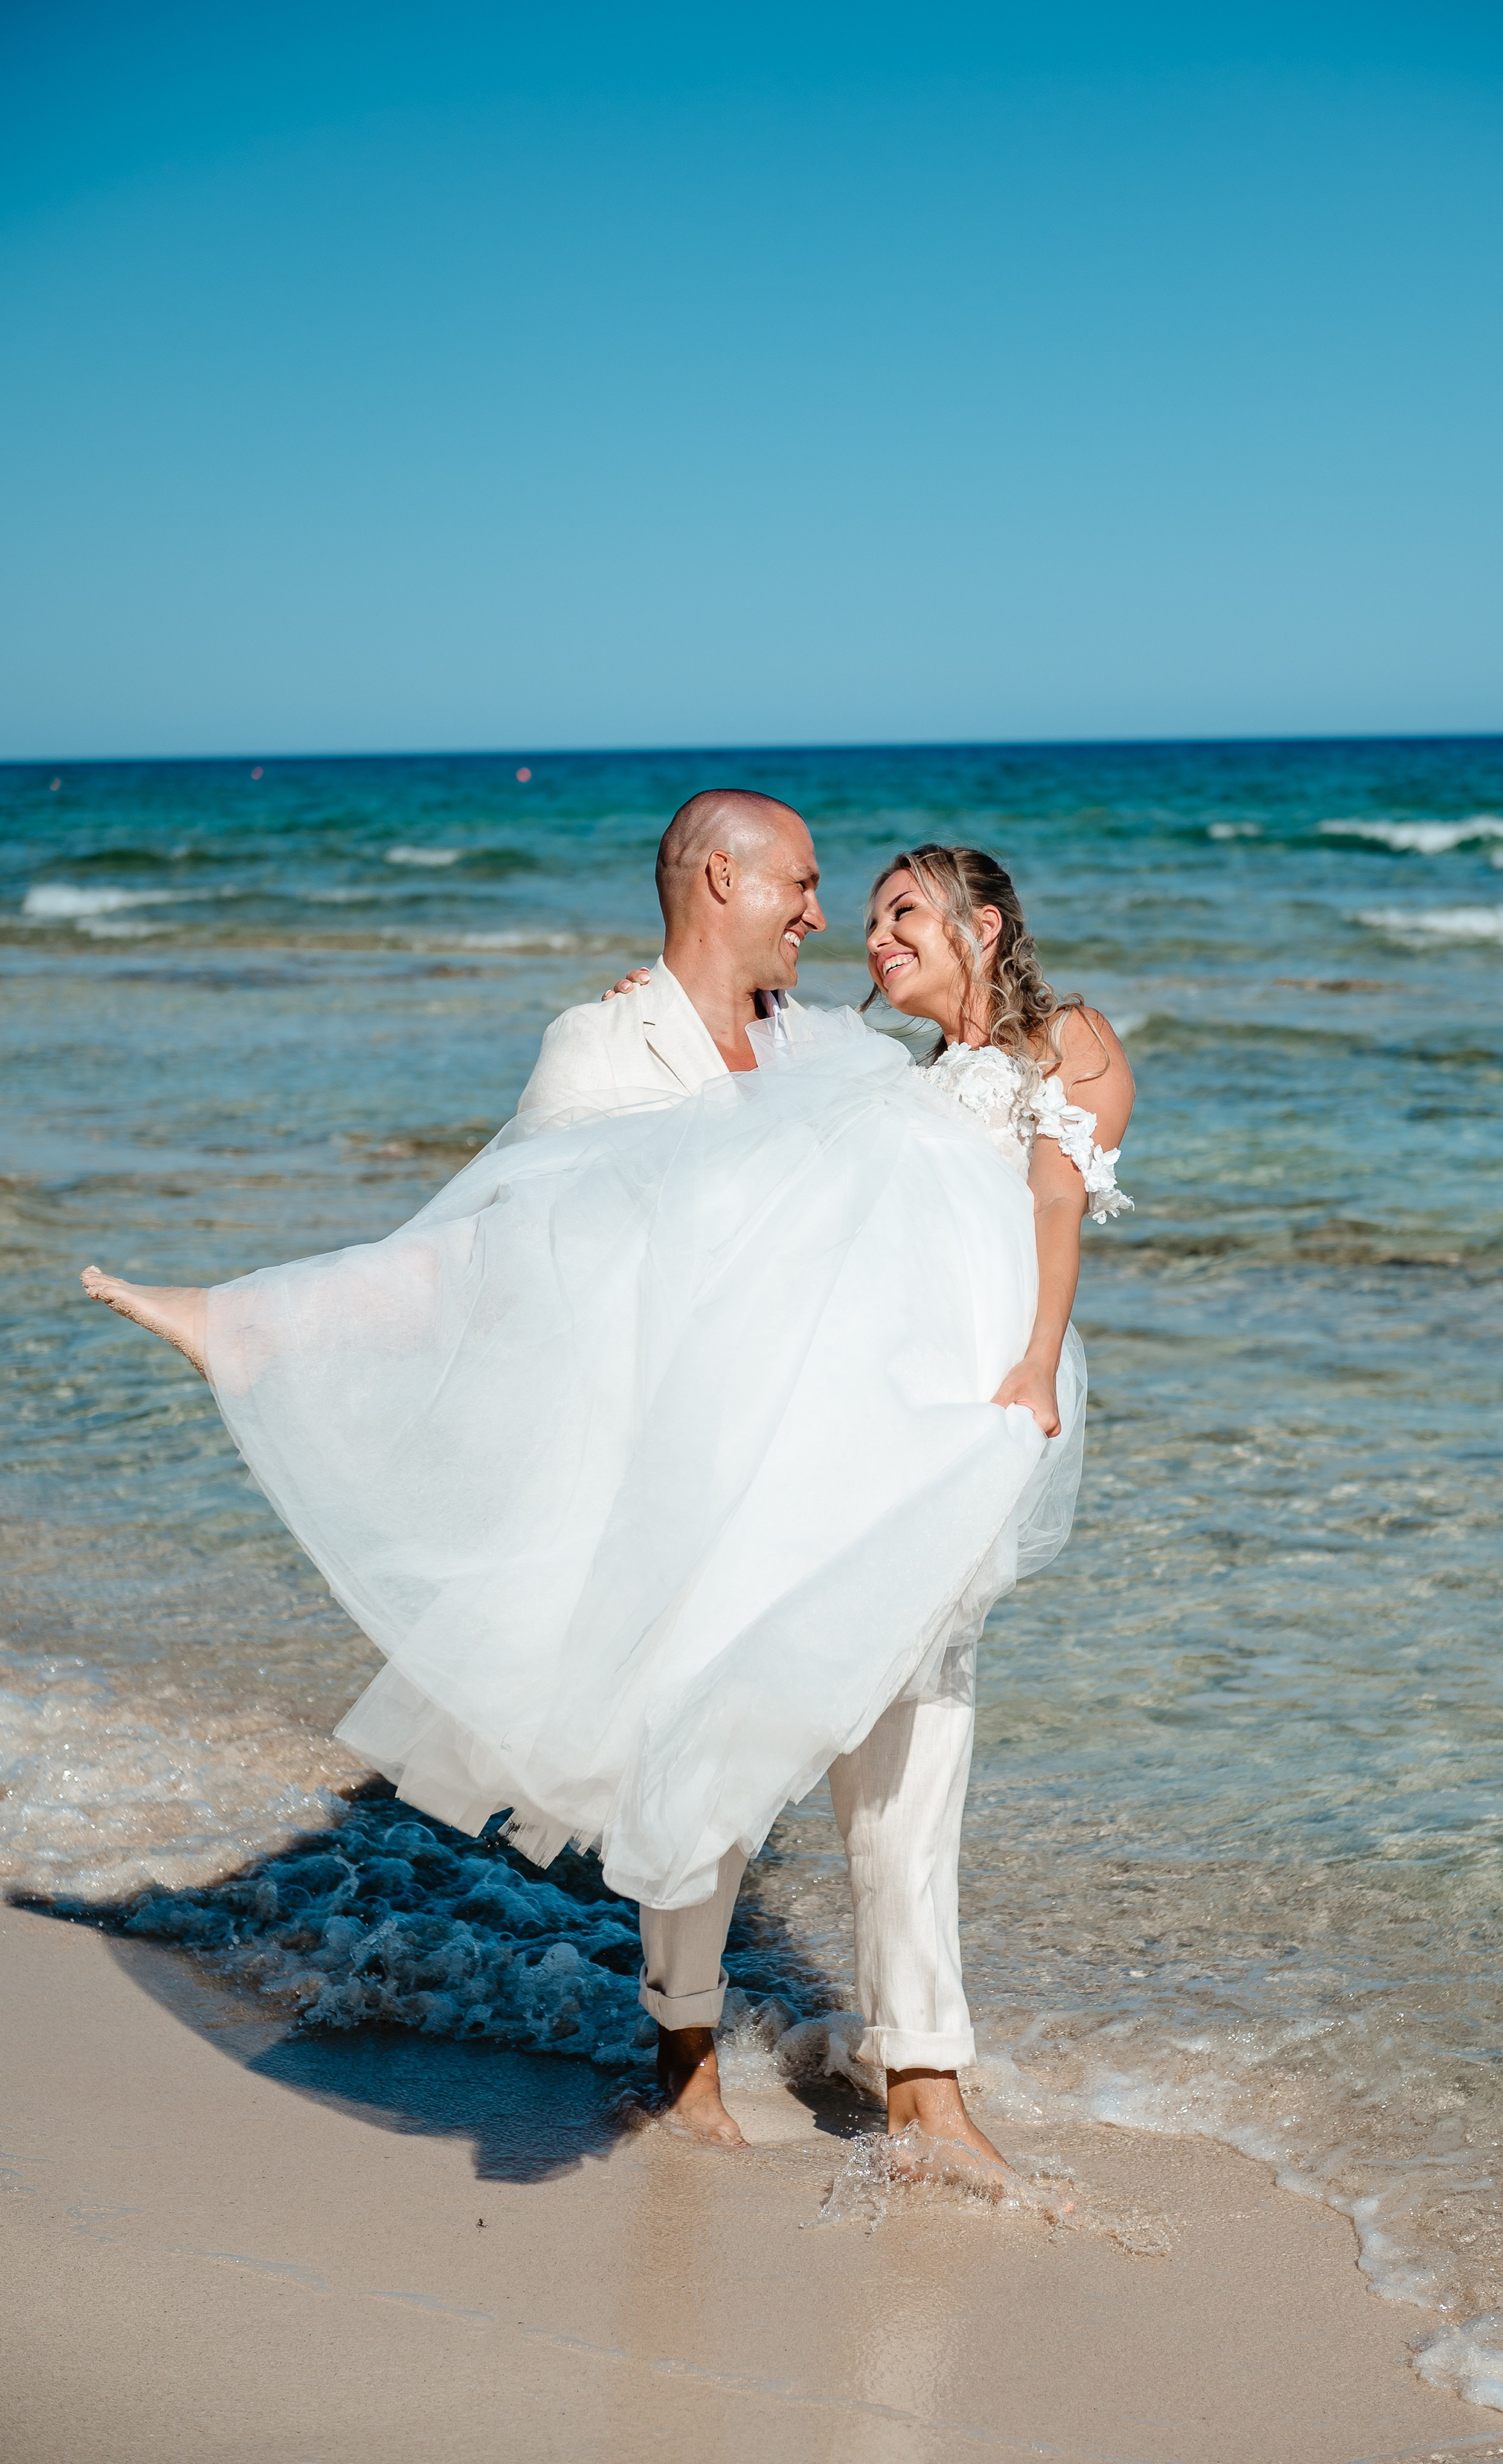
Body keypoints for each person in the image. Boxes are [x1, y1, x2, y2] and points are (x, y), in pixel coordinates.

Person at [81, 798, 1133, 2195]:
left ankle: (927, 2087)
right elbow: (514, 1230)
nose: (830, 923)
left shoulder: (837, 1044)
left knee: (914, 1760)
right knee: (702, 1742)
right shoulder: (605, 1040)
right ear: (721, 880)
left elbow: (980, 1163)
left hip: (896, 1453)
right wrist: (304, 1319)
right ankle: (680, 2050)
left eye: (879, 909)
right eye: (814, 891)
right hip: (700, 1466)